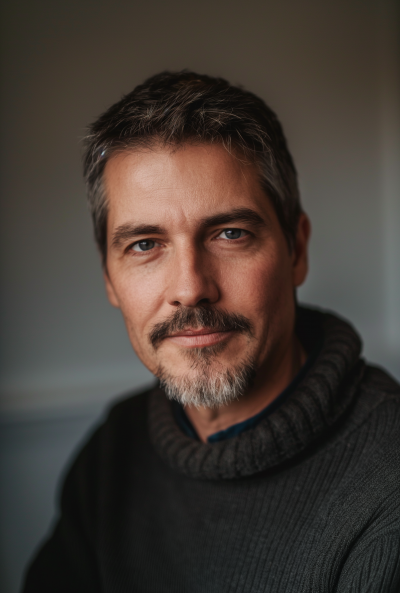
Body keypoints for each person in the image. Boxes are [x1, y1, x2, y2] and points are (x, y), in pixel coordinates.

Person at [23, 71, 400, 593]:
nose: (191, 288)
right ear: (109, 278)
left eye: (230, 234)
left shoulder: (389, 486)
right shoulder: (114, 450)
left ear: (297, 250)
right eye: (145, 245)